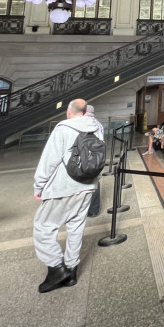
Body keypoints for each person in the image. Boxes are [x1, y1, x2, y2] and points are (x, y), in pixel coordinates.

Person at [32, 98, 104, 293]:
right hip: (88, 185)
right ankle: (72, 269)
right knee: (76, 227)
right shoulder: (96, 128)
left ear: (69, 112)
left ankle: (57, 267)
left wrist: (39, 186)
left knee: (43, 227)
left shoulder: (63, 128)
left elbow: (49, 161)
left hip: (63, 187)